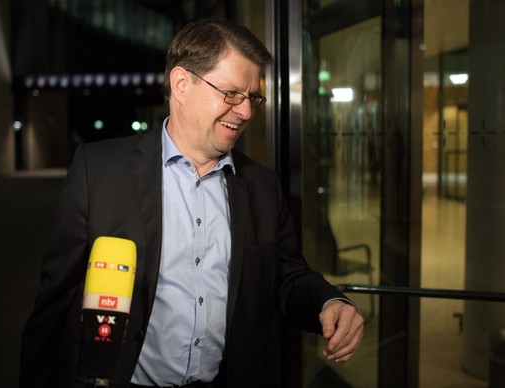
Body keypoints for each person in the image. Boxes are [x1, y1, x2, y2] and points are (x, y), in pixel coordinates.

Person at [20, 17, 364, 388]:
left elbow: (285, 274)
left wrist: (328, 303)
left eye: (253, 98)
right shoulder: (99, 171)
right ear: (181, 84)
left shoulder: (262, 186)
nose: (246, 111)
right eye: (232, 94)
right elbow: (55, 302)